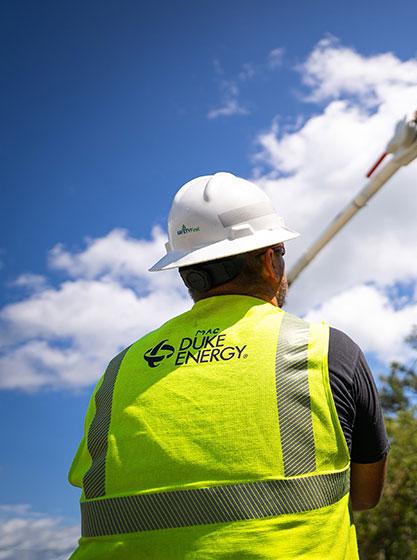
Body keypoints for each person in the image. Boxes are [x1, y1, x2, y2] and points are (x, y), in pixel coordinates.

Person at [68, 172, 389, 559]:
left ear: (188, 273)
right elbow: (366, 495)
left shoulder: (119, 371)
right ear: (271, 261)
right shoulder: (326, 351)